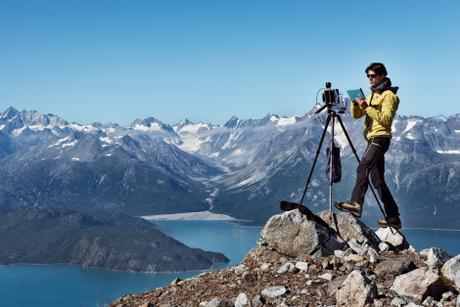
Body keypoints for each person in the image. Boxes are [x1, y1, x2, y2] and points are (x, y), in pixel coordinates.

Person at [334, 62, 401, 229]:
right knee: (377, 180)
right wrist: (355, 103)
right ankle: (393, 217)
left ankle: (356, 204)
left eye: (373, 76)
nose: (370, 79)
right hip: (371, 139)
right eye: (368, 76)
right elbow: (357, 115)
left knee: (363, 167)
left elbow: (386, 120)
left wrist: (367, 107)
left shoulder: (389, 96)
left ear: (383, 76)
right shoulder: (371, 96)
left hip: (380, 137)